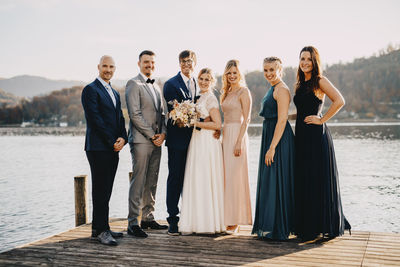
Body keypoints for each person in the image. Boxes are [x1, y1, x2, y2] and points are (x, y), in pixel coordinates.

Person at [293, 46, 351, 241]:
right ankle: (307, 226)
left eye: (309, 59)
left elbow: (339, 100)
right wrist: (283, 116)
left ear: (315, 61)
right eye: (302, 59)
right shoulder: (300, 83)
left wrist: (322, 118)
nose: (305, 62)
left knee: (315, 178)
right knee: (304, 179)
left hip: (316, 137)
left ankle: (317, 226)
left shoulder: (320, 81)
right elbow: (302, 111)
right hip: (301, 136)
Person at [81, 55, 128, 246]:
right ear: (98, 67)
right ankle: (100, 231)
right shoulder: (90, 90)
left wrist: (123, 138)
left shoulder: (115, 93)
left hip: (113, 148)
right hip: (98, 148)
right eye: (105, 66)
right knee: (100, 189)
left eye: (111, 66)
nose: (108, 69)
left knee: (107, 189)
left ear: (115, 69)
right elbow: (95, 120)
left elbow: (120, 119)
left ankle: (102, 227)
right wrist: (111, 141)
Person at [125, 50, 168, 238]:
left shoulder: (157, 86)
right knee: (139, 180)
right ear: (139, 63)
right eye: (146, 62)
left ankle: (148, 218)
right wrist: (152, 135)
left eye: (152, 62)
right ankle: (133, 222)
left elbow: (163, 114)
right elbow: (134, 115)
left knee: (152, 180)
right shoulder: (133, 84)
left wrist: (163, 134)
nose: (149, 65)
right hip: (142, 140)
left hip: (157, 141)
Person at [251, 57, 295, 240]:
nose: (268, 73)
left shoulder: (282, 90)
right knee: (270, 180)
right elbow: (284, 115)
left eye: (272, 70)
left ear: (280, 69)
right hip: (270, 135)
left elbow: (282, 120)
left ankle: (279, 226)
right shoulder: (273, 88)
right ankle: (271, 225)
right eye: (265, 70)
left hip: (278, 139)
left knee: (277, 179)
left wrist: (272, 148)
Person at [179, 68, 225, 235]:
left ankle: (209, 223)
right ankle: (196, 222)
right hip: (197, 141)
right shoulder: (198, 97)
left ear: (212, 81)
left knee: (206, 178)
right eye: (202, 78)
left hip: (207, 143)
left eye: (207, 79)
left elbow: (217, 124)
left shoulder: (211, 99)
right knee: (196, 178)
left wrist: (194, 123)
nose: (204, 82)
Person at [163, 50, 199, 235]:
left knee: (192, 179)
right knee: (175, 178)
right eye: (184, 61)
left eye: (190, 61)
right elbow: (174, 114)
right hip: (178, 141)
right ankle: (173, 219)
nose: (187, 64)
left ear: (195, 63)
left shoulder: (198, 83)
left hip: (197, 141)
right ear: (179, 63)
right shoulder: (171, 85)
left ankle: (191, 216)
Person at [220, 59, 252, 233]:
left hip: (238, 136)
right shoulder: (226, 92)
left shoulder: (243, 92)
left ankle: (236, 220)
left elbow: (247, 119)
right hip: (226, 135)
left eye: (235, 73)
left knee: (235, 178)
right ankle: (227, 217)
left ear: (240, 74)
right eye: (229, 73)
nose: (232, 76)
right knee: (226, 177)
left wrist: (239, 141)